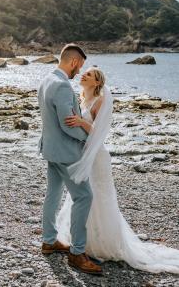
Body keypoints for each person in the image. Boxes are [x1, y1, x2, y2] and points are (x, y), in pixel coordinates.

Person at [57, 67, 179, 274]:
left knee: (97, 197)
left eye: (90, 75)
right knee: (81, 196)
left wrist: (80, 122)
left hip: (97, 156)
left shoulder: (100, 101)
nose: (84, 75)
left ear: (97, 83)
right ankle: (81, 240)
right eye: (84, 73)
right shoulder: (81, 100)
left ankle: (101, 243)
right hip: (84, 153)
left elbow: (99, 132)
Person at [38, 43, 102, 275]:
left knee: (53, 194)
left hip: (50, 149)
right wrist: (87, 136)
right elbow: (68, 125)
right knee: (84, 196)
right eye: (80, 66)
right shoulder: (63, 86)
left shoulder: (46, 80)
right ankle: (77, 253)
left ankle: (48, 240)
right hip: (66, 152)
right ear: (74, 62)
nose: (79, 72)